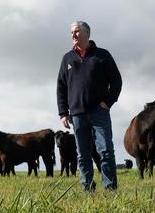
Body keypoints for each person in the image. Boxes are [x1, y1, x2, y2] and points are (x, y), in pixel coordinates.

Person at [56, 21, 122, 191]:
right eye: (71, 32)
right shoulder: (67, 58)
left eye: (76, 31)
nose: (73, 35)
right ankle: (87, 188)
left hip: (99, 112)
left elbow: (116, 80)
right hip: (77, 114)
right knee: (83, 154)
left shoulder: (102, 55)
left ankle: (110, 188)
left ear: (86, 33)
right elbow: (61, 87)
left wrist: (107, 102)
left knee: (105, 150)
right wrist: (63, 113)